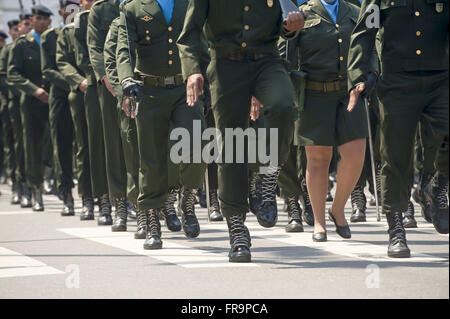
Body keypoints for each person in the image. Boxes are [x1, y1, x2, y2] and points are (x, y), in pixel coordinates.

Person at [177, 0, 306, 262]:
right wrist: (192, 71)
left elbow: (288, 16)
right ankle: (236, 228)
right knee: (232, 148)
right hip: (226, 66)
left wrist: (293, 26)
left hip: (267, 61)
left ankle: (268, 179)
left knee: (283, 106)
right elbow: (189, 34)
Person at [347, 0, 449, 258]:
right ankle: (396, 228)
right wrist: (359, 76)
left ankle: (435, 186)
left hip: (441, 78)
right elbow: (365, 32)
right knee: (395, 156)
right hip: (396, 81)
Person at [281, 0, 378, 242]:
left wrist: (370, 76)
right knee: (318, 157)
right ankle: (318, 221)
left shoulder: (354, 12)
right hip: (313, 94)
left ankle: (338, 209)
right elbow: (285, 55)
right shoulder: (302, 13)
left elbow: (369, 48)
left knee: (356, 153)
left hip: (349, 93)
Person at [117, 0, 209, 250]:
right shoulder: (133, 7)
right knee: (151, 159)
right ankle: (151, 221)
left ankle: (187, 199)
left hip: (184, 88)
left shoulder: (190, 4)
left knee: (197, 142)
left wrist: (209, 79)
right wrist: (126, 79)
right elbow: (124, 48)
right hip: (149, 90)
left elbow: (199, 42)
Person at [87, 0, 129, 227]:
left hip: (138, 80)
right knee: (113, 145)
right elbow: (94, 47)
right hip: (109, 86)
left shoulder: (141, 4)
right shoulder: (100, 9)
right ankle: (119, 203)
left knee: (142, 142)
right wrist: (105, 77)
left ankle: (148, 203)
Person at [7, 5, 53, 212]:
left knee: (54, 146)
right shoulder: (21, 45)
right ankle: (34, 190)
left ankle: (55, 182)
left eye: (46, 18)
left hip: (54, 102)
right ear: (32, 20)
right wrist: (34, 90)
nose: (43, 21)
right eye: (39, 18)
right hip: (31, 104)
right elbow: (13, 74)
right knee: (31, 147)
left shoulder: (54, 40)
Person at [73, 0, 112, 223]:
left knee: (122, 146)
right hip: (96, 87)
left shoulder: (121, 8)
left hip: (121, 85)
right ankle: (102, 199)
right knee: (95, 147)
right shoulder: (82, 20)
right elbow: (83, 58)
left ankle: (125, 199)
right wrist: (105, 75)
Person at [41, 0, 80, 216]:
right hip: (61, 96)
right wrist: (75, 83)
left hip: (83, 94)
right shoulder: (50, 36)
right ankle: (66, 195)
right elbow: (48, 69)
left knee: (86, 148)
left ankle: (93, 196)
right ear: (61, 12)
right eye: (69, 8)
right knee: (62, 147)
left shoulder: (85, 30)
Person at [0, 17, 30, 207]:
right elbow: (5, 78)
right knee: (13, 146)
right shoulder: (7, 51)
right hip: (11, 105)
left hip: (28, 104)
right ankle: (16, 185)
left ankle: (30, 184)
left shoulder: (28, 47)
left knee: (27, 146)